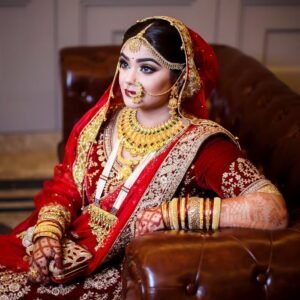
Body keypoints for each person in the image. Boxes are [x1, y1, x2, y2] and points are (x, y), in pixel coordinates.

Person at [0, 16, 288, 299]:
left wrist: (171, 214)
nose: (129, 78)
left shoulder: (202, 145)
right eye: (124, 63)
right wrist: (48, 234)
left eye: (147, 69)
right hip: (72, 242)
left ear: (180, 77)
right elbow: (68, 185)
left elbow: (273, 210)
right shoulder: (106, 120)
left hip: (130, 269)